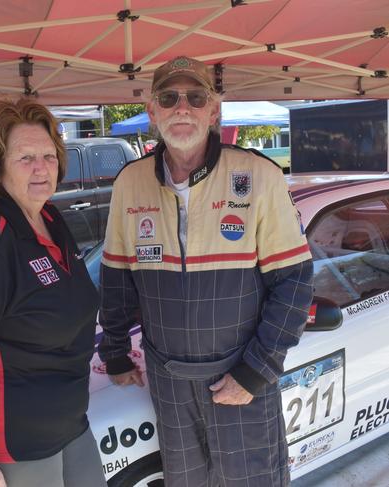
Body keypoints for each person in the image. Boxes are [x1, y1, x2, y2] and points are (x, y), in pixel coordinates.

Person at [98, 56, 314, 487]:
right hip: (169, 382)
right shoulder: (130, 182)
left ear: (214, 112)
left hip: (242, 378)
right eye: (169, 98)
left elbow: (293, 283)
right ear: (152, 112)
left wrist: (255, 371)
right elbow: (117, 278)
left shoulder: (257, 176)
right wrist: (116, 352)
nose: (182, 107)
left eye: (196, 98)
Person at [0, 98, 106, 487]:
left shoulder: (49, 218)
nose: (41, 167)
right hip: (13, 443)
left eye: (48, 155)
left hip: (69, 422)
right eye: (25, 157)